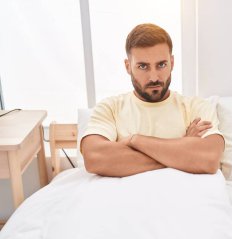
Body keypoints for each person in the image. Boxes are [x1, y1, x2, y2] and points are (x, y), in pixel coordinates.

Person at [80, 23, 224, 177]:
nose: (154, 77)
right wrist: (182, 152)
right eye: (143, 66)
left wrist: (134, 141)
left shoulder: (195, 107)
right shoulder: (110, 108)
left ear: (172, 62)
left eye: (161, 65)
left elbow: (209, 159)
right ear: (128, 66)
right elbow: (94, 158)